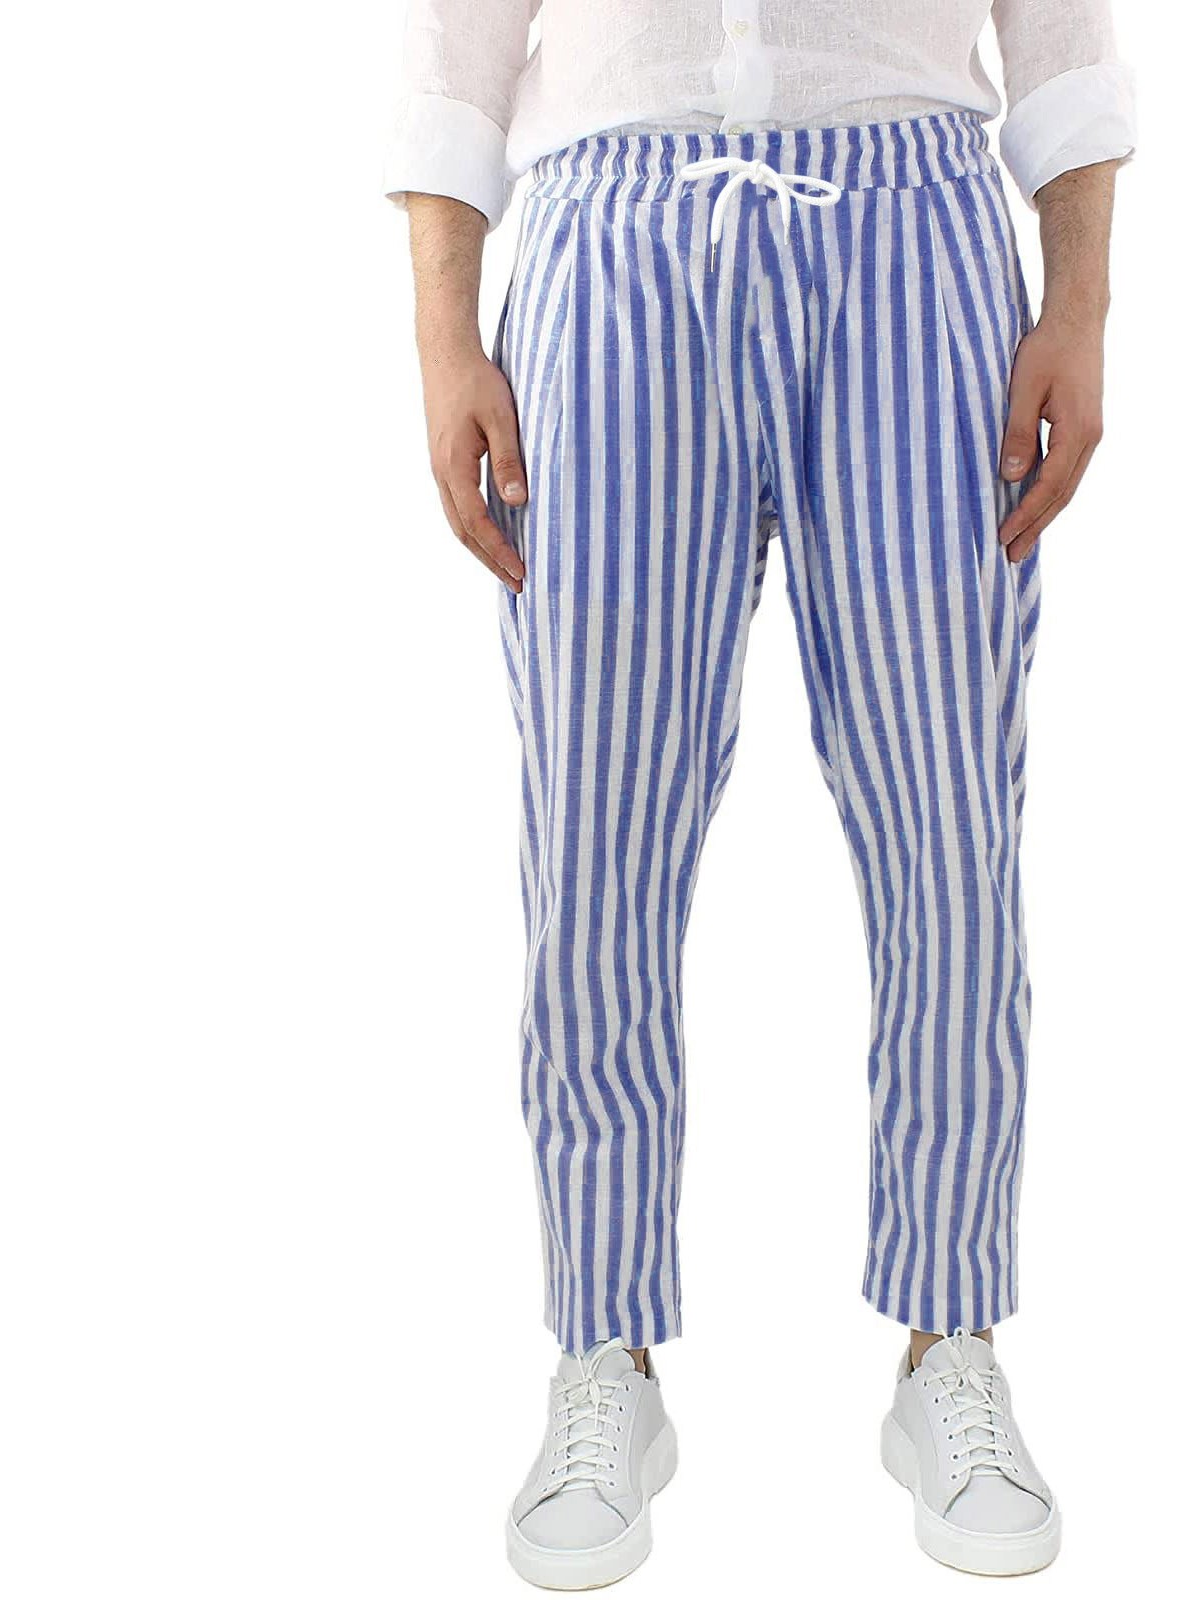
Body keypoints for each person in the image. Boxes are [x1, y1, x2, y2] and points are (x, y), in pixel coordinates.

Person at [384, 2, 1134, 1585]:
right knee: (595, 837)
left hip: (915, 233)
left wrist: (1079, 300)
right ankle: (603, 1353)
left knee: (949, 828)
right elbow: (457, 30)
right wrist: (445, 332)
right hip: (611, 237)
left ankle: (950, 1342)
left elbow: (1060, 24)